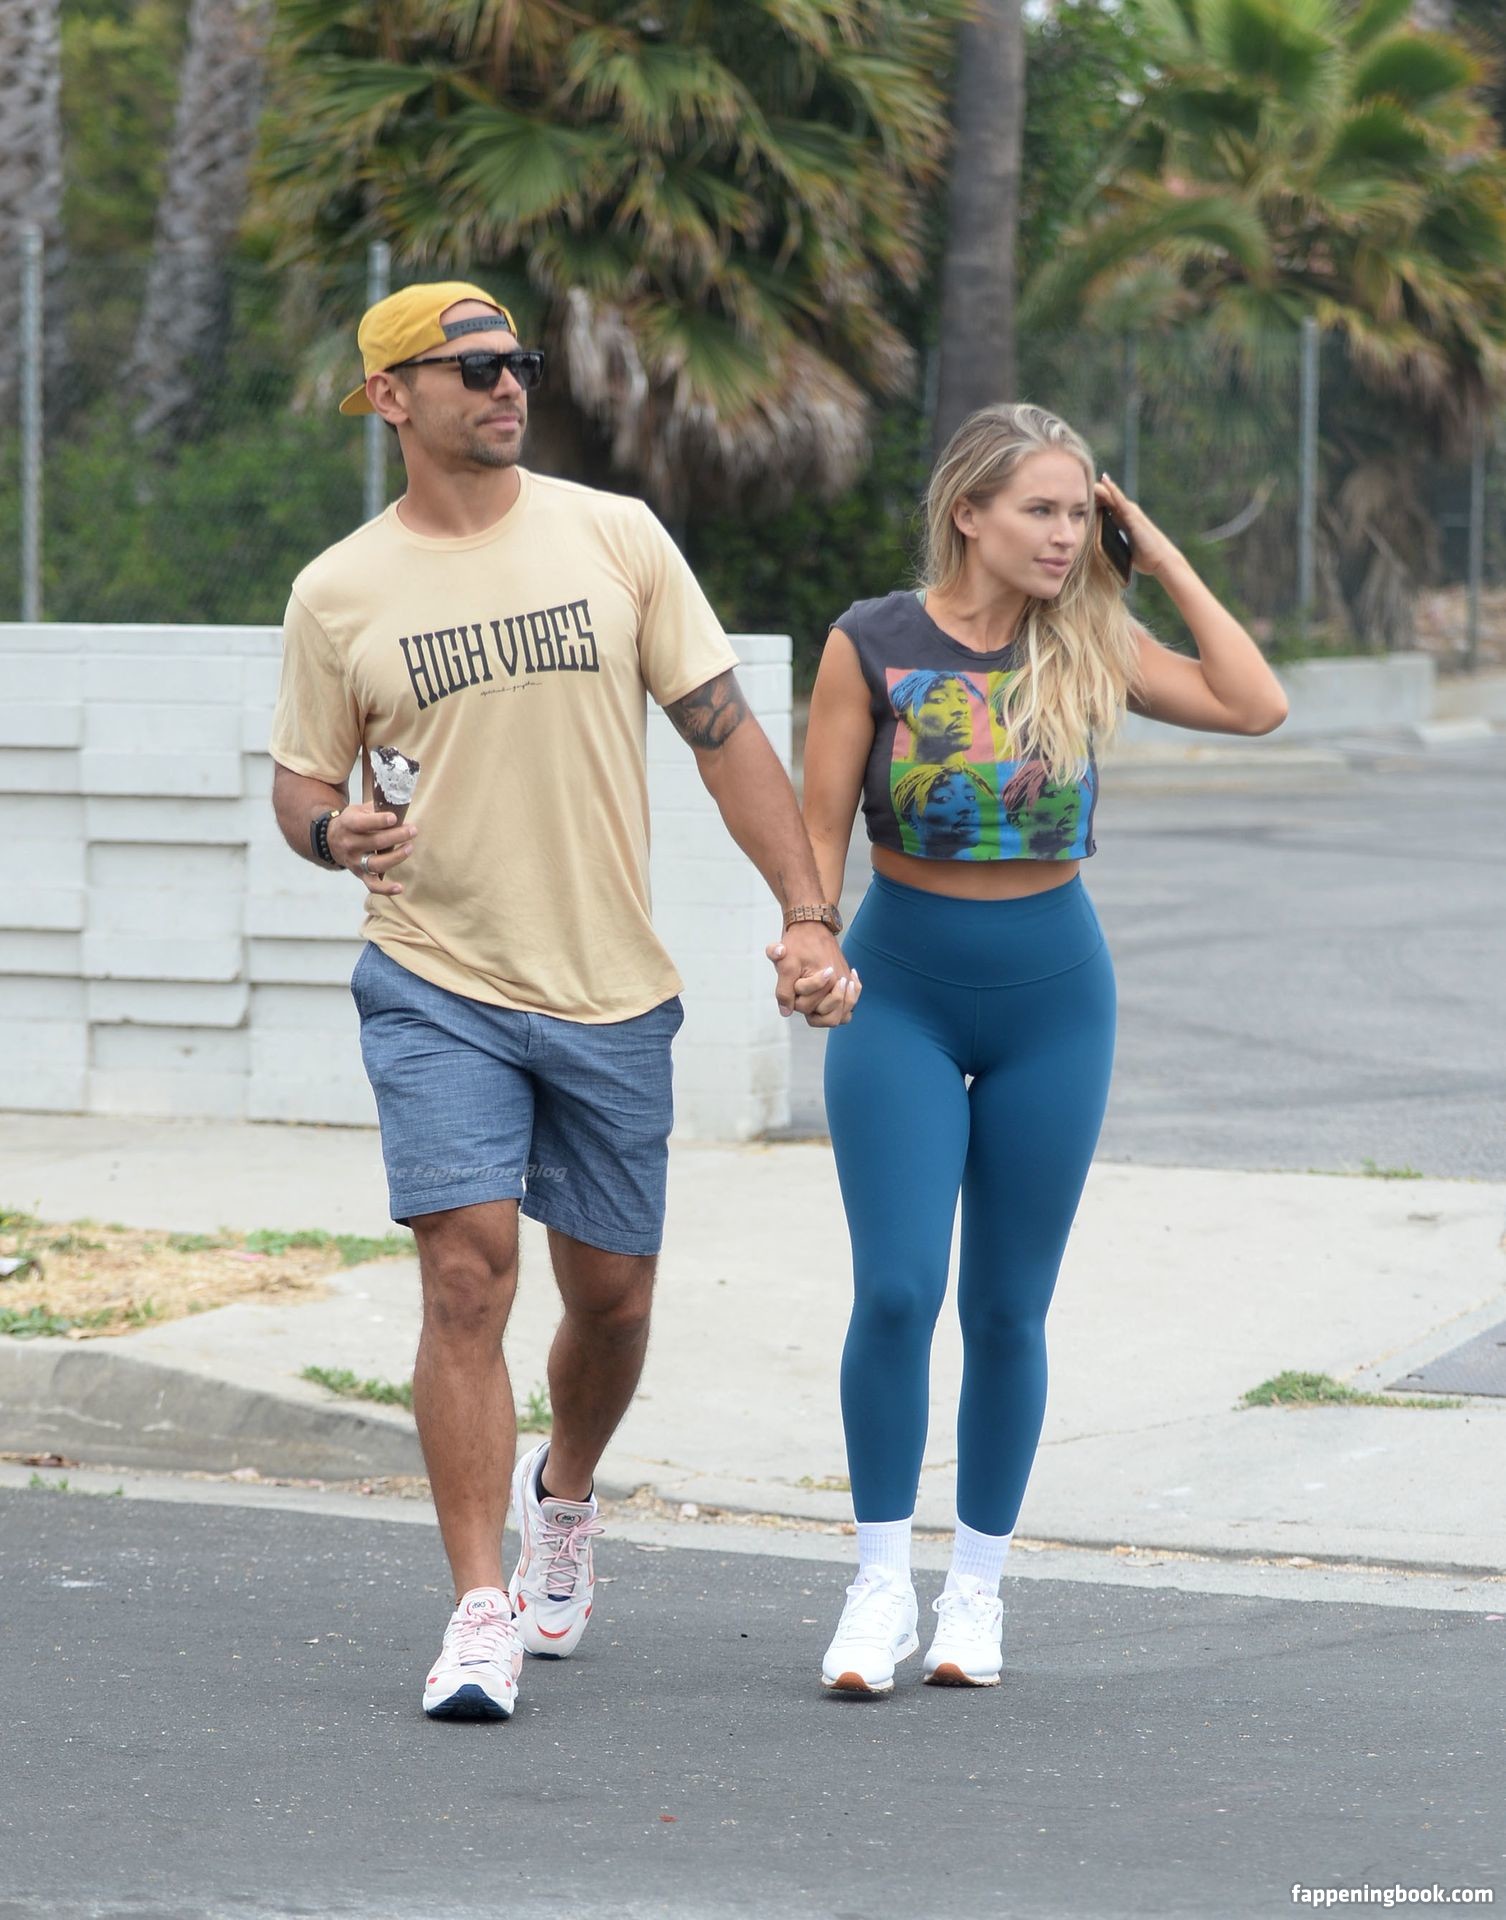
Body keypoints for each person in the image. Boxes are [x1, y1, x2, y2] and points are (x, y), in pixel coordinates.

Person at [268, 280, 855, 1723]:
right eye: (471, 367)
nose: (506, 384)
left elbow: (724, 736)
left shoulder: (615, 536)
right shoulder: (338, 590)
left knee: (613, 1299)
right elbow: (300, 779)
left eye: (516, 361)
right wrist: (329, 831)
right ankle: (480, 1608)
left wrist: (804, 911)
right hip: (434, 976)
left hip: (607, 988)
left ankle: (566, 1496)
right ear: (390, 397)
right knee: (467, 1275)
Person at [774, 401, 1288, 1695]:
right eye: (1040, 510)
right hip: (897, 989)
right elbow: (816, 827)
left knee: (1007, 1307)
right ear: (969, 513)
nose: (1064, 535)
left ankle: (976, 1593)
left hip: (1055, 998)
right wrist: (807, 936)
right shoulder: (871, 641)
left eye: (1077, 513)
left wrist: (1154, 555)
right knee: (897, 1290)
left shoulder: (1090, 638)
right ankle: (879, 1585)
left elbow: (1254, 704)